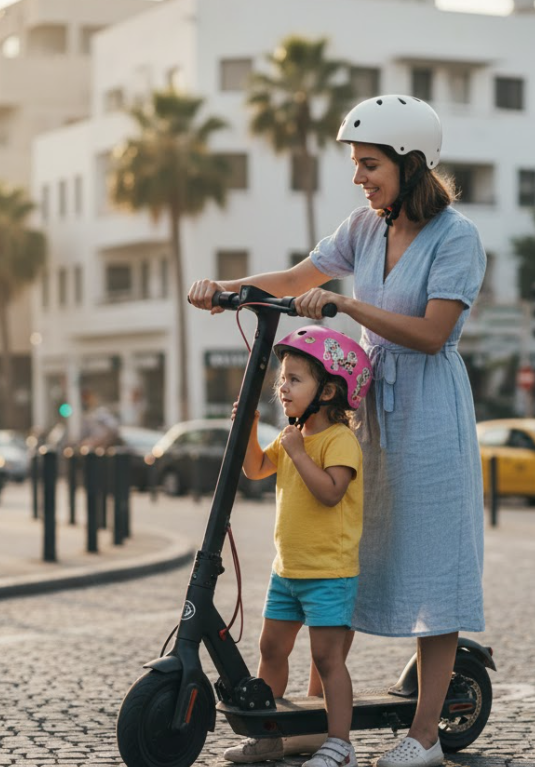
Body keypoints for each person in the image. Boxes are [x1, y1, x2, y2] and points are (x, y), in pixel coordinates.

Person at [190, 94, 486, 767]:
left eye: (370, 164)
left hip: (430, 413)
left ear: (411, 164)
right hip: (370, 407)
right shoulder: (363, 228)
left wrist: (348, 303)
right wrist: (228, 289)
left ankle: (426, 736)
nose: (359, 177)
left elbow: (433, 332)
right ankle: (323, 727)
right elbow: (299, 277)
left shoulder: (456, 237)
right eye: (356, 165)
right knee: (343, 556)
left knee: (434, 571)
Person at [224, 325, 370, 767]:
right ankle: (269, 736)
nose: (282, 388)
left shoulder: (337, 441)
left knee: (327, 659)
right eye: (281, 379)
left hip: (329, 572)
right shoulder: (292, 436)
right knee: (272, 651)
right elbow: (254, 468)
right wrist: (248, 426)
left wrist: (300, 453)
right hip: (287, 570)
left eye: (294, 380)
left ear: (327, 391)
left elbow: (330, 492)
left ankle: (339, 744)